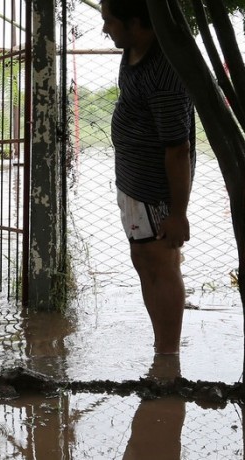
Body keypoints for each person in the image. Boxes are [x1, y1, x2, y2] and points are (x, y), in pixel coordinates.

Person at [101, 0, 195, 354]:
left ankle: (167, 358)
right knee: (145, 261)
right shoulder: (135, 49)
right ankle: (163, 351)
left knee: (159, 265)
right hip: (133, 183)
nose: (105, 29)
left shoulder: (165, 71)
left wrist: (178, 213)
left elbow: (178, 148)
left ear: (136, 22)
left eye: (109, 21)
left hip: (155, 190)